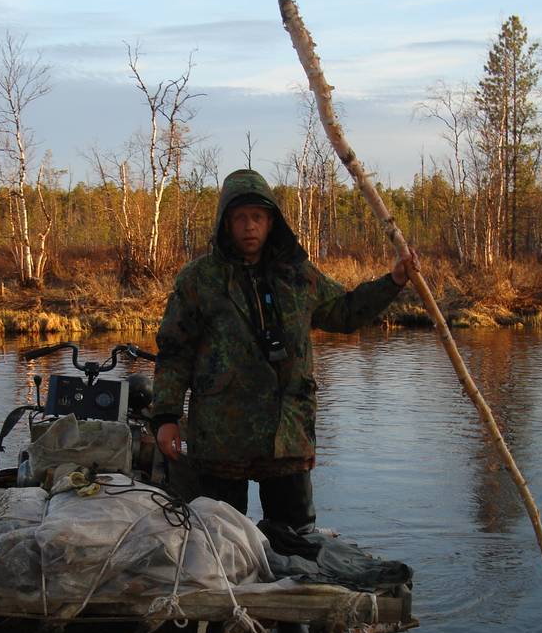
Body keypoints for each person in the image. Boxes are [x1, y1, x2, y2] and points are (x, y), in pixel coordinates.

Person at [150, 168, 415, 531]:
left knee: (297, 538)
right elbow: (174, 351)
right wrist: (166, 417)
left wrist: (394, 281)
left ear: (271, 222)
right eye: (240, 217)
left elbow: (345, 312)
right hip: (221, 436)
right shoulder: (199, 279)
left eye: (257, 217)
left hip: (287, 435)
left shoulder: (298, 275)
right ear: (225, 223)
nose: (249, 226)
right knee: (220, 539)